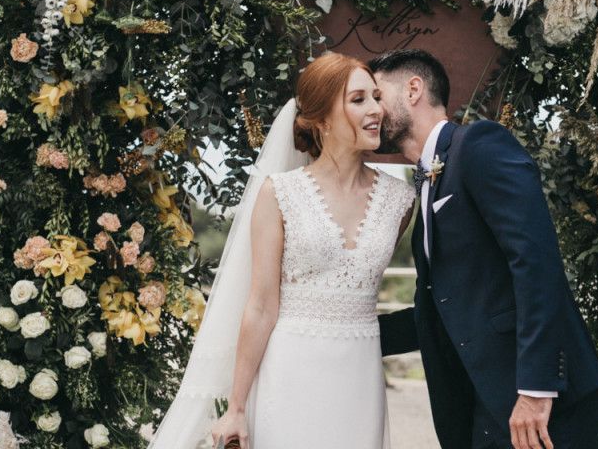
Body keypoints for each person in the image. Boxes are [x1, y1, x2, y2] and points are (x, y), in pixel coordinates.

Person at [147, 52, 415, 449]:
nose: (376, 109)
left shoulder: (400, 200)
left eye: (376, 97)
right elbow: (260, 306)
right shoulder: (281, 193)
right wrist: (235, 406)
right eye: (359, 100)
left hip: (359, 377)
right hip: (289, 371)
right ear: (321, 119)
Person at [371, 49, 598, 449]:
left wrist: (536, 388)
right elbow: (445, 307)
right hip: (484, 404)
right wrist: (340, 334)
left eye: (376, 96)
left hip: (541, 406)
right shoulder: (425, 183)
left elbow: (536, 263)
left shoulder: (478, 144)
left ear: (413, 89)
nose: (370, 111)